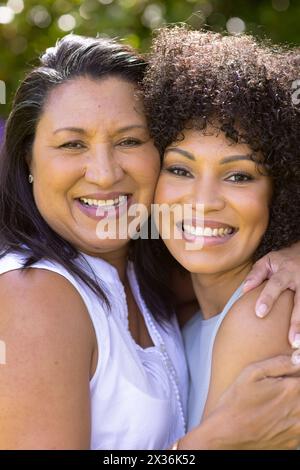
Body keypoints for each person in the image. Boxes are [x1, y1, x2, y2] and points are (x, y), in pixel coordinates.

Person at [0, 34, 299, 450]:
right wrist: (209, 446)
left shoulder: (153, 276)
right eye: (72, 144)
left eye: (129, 141)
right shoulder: (31, 294)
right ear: (28, 158)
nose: (104, 174)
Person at [142, 26, 300, 447]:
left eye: (238, 175)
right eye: (179, 169)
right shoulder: (187, 316)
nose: (203, 201)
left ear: (280, 193)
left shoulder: (264, 313)